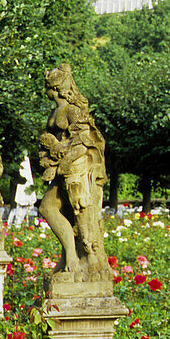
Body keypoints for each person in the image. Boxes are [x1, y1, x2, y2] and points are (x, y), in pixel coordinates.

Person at [38, 64, 109, 279]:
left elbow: (84, 142)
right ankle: (69, 255)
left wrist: (62, 163)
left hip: (76, 171)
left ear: (56, 87)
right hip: (63, 170)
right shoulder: (57, 111)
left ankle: (85, 261)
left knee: (79, 215)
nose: (46, 90)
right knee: (51, 209)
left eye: (47, 86)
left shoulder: (71, 110)